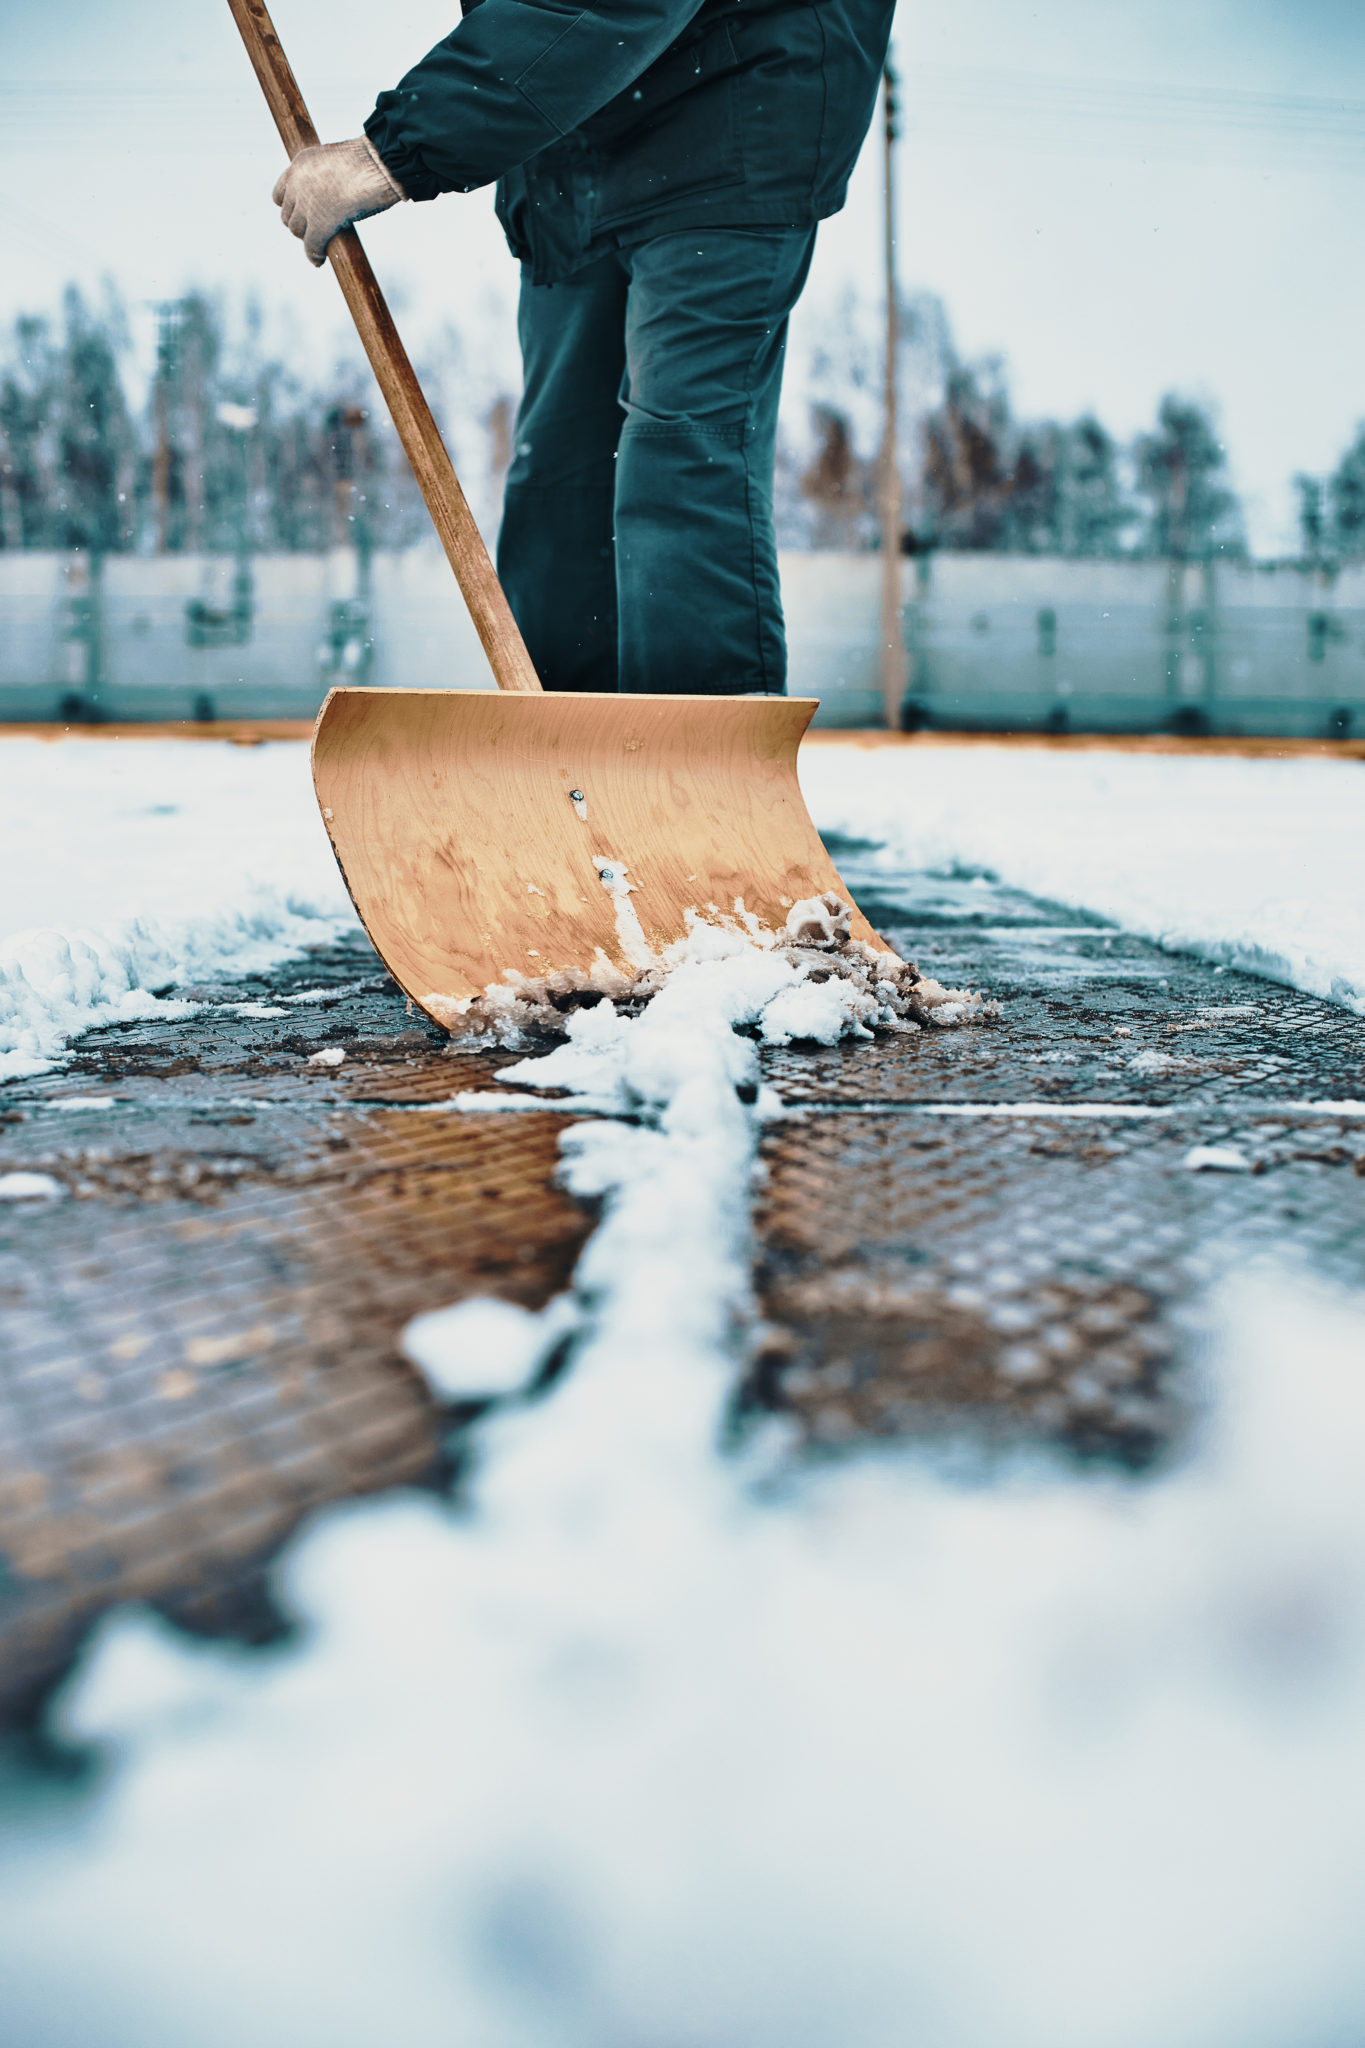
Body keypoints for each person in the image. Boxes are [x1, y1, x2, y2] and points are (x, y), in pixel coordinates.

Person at [273, 0, 897, 696]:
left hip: (734, 112)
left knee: (679, 448)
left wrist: (393, 150)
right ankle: (570, 751)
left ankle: (702, 760)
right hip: (571, 150)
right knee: (560, 475)